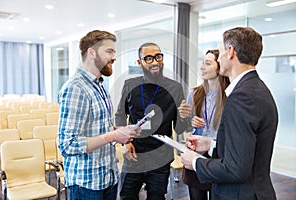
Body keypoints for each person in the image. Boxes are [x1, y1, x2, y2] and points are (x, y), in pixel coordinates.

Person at [181, 27, 278, 200]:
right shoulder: (255, 89)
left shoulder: (242, 97)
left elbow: (235, 169)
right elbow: (246, 151)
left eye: (220, 51)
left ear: (230, 51)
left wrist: (195, 162)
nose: (219, 57)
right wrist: (210, 145)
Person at [57, 30, 141, 200]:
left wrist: (121, 132)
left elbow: (101, 127)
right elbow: (67, 145)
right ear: (92, 53)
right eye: (109, 51)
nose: (114, 57)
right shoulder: (76, 88)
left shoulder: (99, 85)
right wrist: (113, 135)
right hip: (87, 184)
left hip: (107, 177)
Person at [115, 42, 188, 200]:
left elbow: (180, 129)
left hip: (160, 157)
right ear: (139, 62)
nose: (155, 61)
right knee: (127, 195)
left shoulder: (175, 88)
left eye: (158, 56)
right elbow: (120, 116)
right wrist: (125, 143)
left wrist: (183, 117)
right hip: (133, 154)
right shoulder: (130, 85)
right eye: (148, 58)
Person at [178, 49, 230, 200]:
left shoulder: (230, 96)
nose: (202, 67)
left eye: (208, 63)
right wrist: (190, 121)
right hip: (196, 154)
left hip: (218, 156)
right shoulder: (194, 94)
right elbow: (186, 127)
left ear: (219, 67)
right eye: (202, 62)